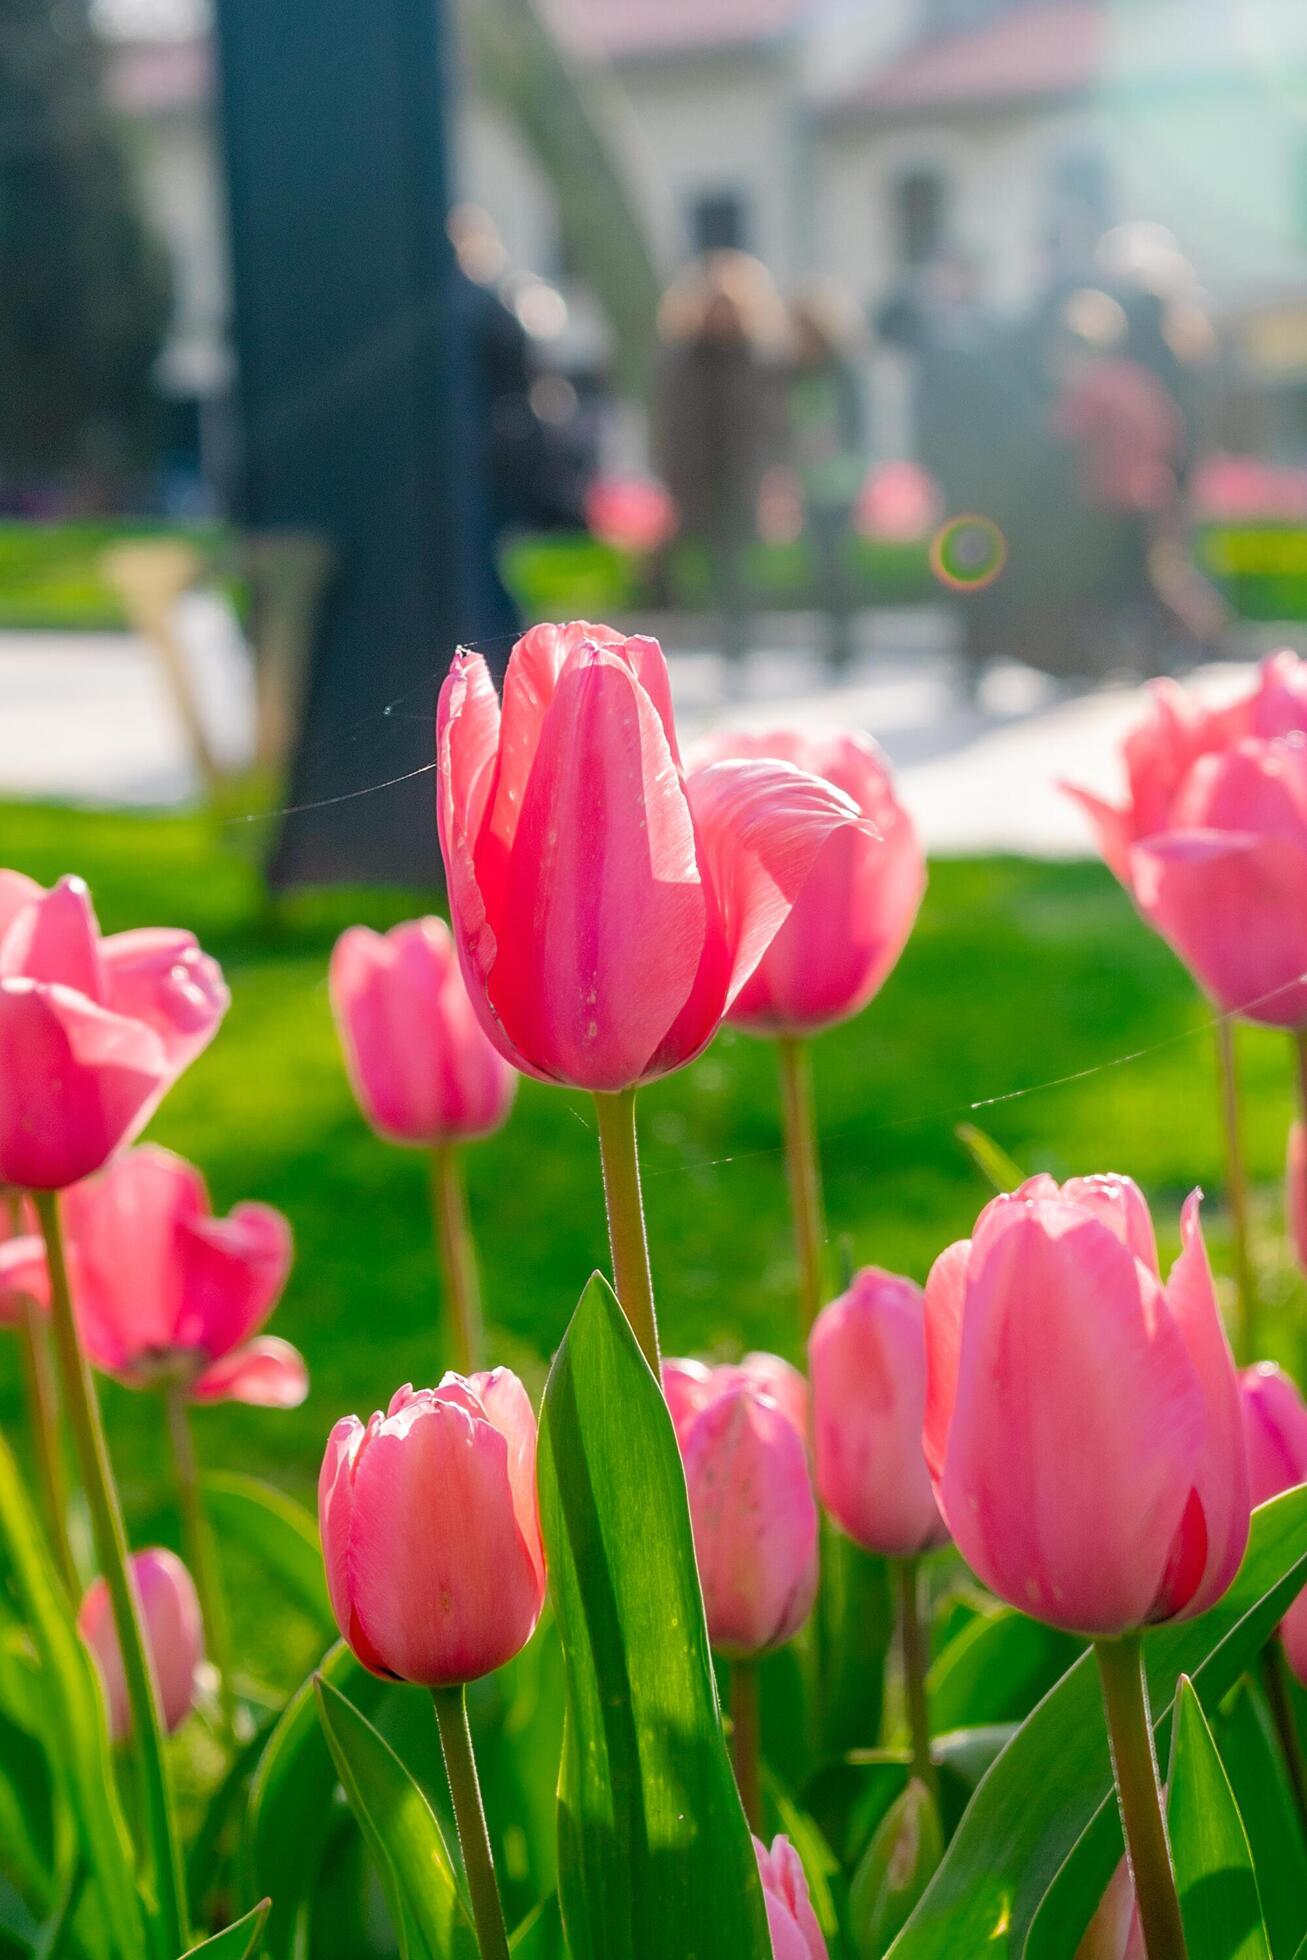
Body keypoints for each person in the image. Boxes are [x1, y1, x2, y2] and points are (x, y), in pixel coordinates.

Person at [652, 252, 785, 673]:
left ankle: (737, 644)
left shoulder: (756, 358)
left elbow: (771, 422)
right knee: (694, 559)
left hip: (741, 477)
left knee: (735, 564)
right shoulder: (683, 359)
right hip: (697, 477)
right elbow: (669, 421)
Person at [786, 285, 866, 670]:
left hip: (841, 479)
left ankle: (845, 640)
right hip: (808, 480)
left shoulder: (842, 370)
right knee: (818, 563)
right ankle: (828, 638)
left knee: (839, 560)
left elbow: (858, 423)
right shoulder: (791, 372)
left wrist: (836, 446)